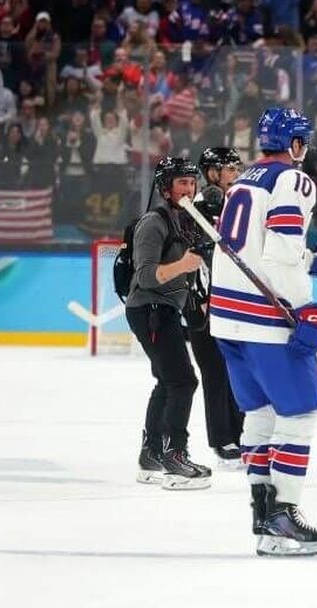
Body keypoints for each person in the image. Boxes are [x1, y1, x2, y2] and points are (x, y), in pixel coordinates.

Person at [209, 108, 317, 557]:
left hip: (228, 318)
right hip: (265, 319)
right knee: (298, 415)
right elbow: (277, 255)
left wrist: (314, 262)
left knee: (260, 415)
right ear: (295, 143)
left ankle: (263, 514)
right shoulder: (293, 180)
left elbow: (259, 250)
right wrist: (307, 307)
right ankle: (283, 516)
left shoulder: (244, 179)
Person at [128, 156, 210, 490]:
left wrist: (196, 299)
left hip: (164, 310)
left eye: (192, 182)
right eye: (182, 183)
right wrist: (184, 264)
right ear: (166, 188)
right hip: (150, 310)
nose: (189, 189)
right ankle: (175, 455)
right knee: (183, 381)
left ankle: (151, 455)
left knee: (167, 381)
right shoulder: (153, 222)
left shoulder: (187, 221)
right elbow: (146, 275)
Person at [185, 147, 247, 465]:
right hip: (202, 303)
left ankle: (240, 434)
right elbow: (198, 259)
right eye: (230, 170)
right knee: (213, 371)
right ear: (212, 174)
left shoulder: (232, 206)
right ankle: (222, 440)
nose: (236, 175)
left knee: (236, 368)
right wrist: (203, 298)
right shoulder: (196, 208)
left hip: (229, 301)